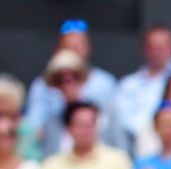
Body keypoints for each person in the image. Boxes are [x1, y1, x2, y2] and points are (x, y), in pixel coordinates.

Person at [24, 19, 117, 153]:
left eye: (77, 48)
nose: (68, 82)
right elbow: (34, 128)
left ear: (87, 49)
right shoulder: (42, 85)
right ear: (57, 50)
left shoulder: (105, 82)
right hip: (55, 154)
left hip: (98, 154)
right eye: (62, 80)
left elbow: (112, 130)